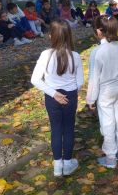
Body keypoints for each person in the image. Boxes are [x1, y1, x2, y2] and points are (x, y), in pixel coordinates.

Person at [31, 20, 84, 177]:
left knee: (56, 129)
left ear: (50, 36)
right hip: (69, 97)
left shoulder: (45, 55)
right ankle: (67, 164)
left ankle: (57, 166)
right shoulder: (75, 56)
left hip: (52, 98)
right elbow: (79, 81)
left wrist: (54, 93)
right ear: (69, 36)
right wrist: (66, 93)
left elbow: (35, 79)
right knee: (68, 128)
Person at [86, 15, 118, 169]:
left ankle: (111, 157)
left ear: (99, 31)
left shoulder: (97, 52)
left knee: (108, 123)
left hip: (105, 91)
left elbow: (94, 78)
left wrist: (90, 99)